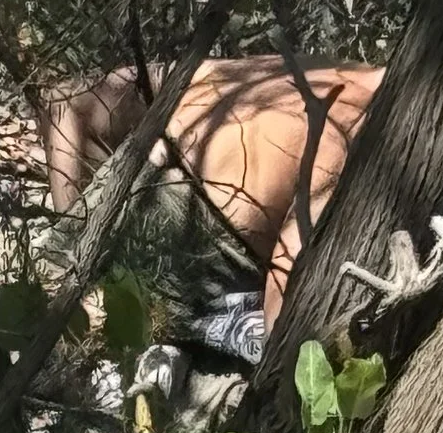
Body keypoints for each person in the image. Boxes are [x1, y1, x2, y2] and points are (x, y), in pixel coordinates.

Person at [39, 54, 381, 343]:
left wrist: (73, 230)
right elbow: (285, 316)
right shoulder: (359, 126)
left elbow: (67, 102)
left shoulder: (301, 69)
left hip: (138, 190)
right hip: (190, 248)